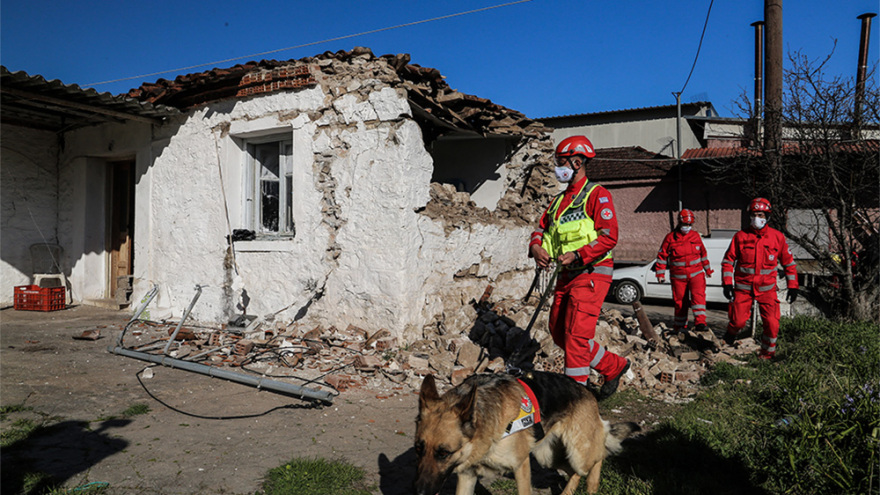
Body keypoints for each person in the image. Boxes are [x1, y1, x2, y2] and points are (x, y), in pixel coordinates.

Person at [528, 135, 630, 399]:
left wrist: (578, 254)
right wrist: (537, 248)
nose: (557, 167)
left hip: (591, 273)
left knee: (575, 336)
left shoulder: (598, 195)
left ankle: (574, 400)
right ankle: (613, 366)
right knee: (560, 332)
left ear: (577, 161)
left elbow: (608, 236)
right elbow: (542, 230)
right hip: (565, 275)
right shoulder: (558, 201)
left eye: (561, 162)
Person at [721, 197, 798, 359]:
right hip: (743, 289)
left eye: (761, 215)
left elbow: (789, 263)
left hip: (767, 290)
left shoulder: (777, 237)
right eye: (755, 214)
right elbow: (728, 261)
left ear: (767, 216)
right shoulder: (740, 237)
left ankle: (767, 354)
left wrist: (793, 285)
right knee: (738, 322)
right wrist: (727, 283)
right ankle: (730, 333)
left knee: (772, 323)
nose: (758, 218)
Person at [653, 209, 714, 334]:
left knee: (699, 298)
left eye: (689, 225)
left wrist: (707, 269)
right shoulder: (670, 238)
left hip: (696, 274)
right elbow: (662, 256)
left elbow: (703, 254)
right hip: (678, 277)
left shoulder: (695, 236)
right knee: (680, 302)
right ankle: (680, 327)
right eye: (685, 225)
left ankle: (700, 323)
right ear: (679, 223)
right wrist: (660, 273)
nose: (687, 227)